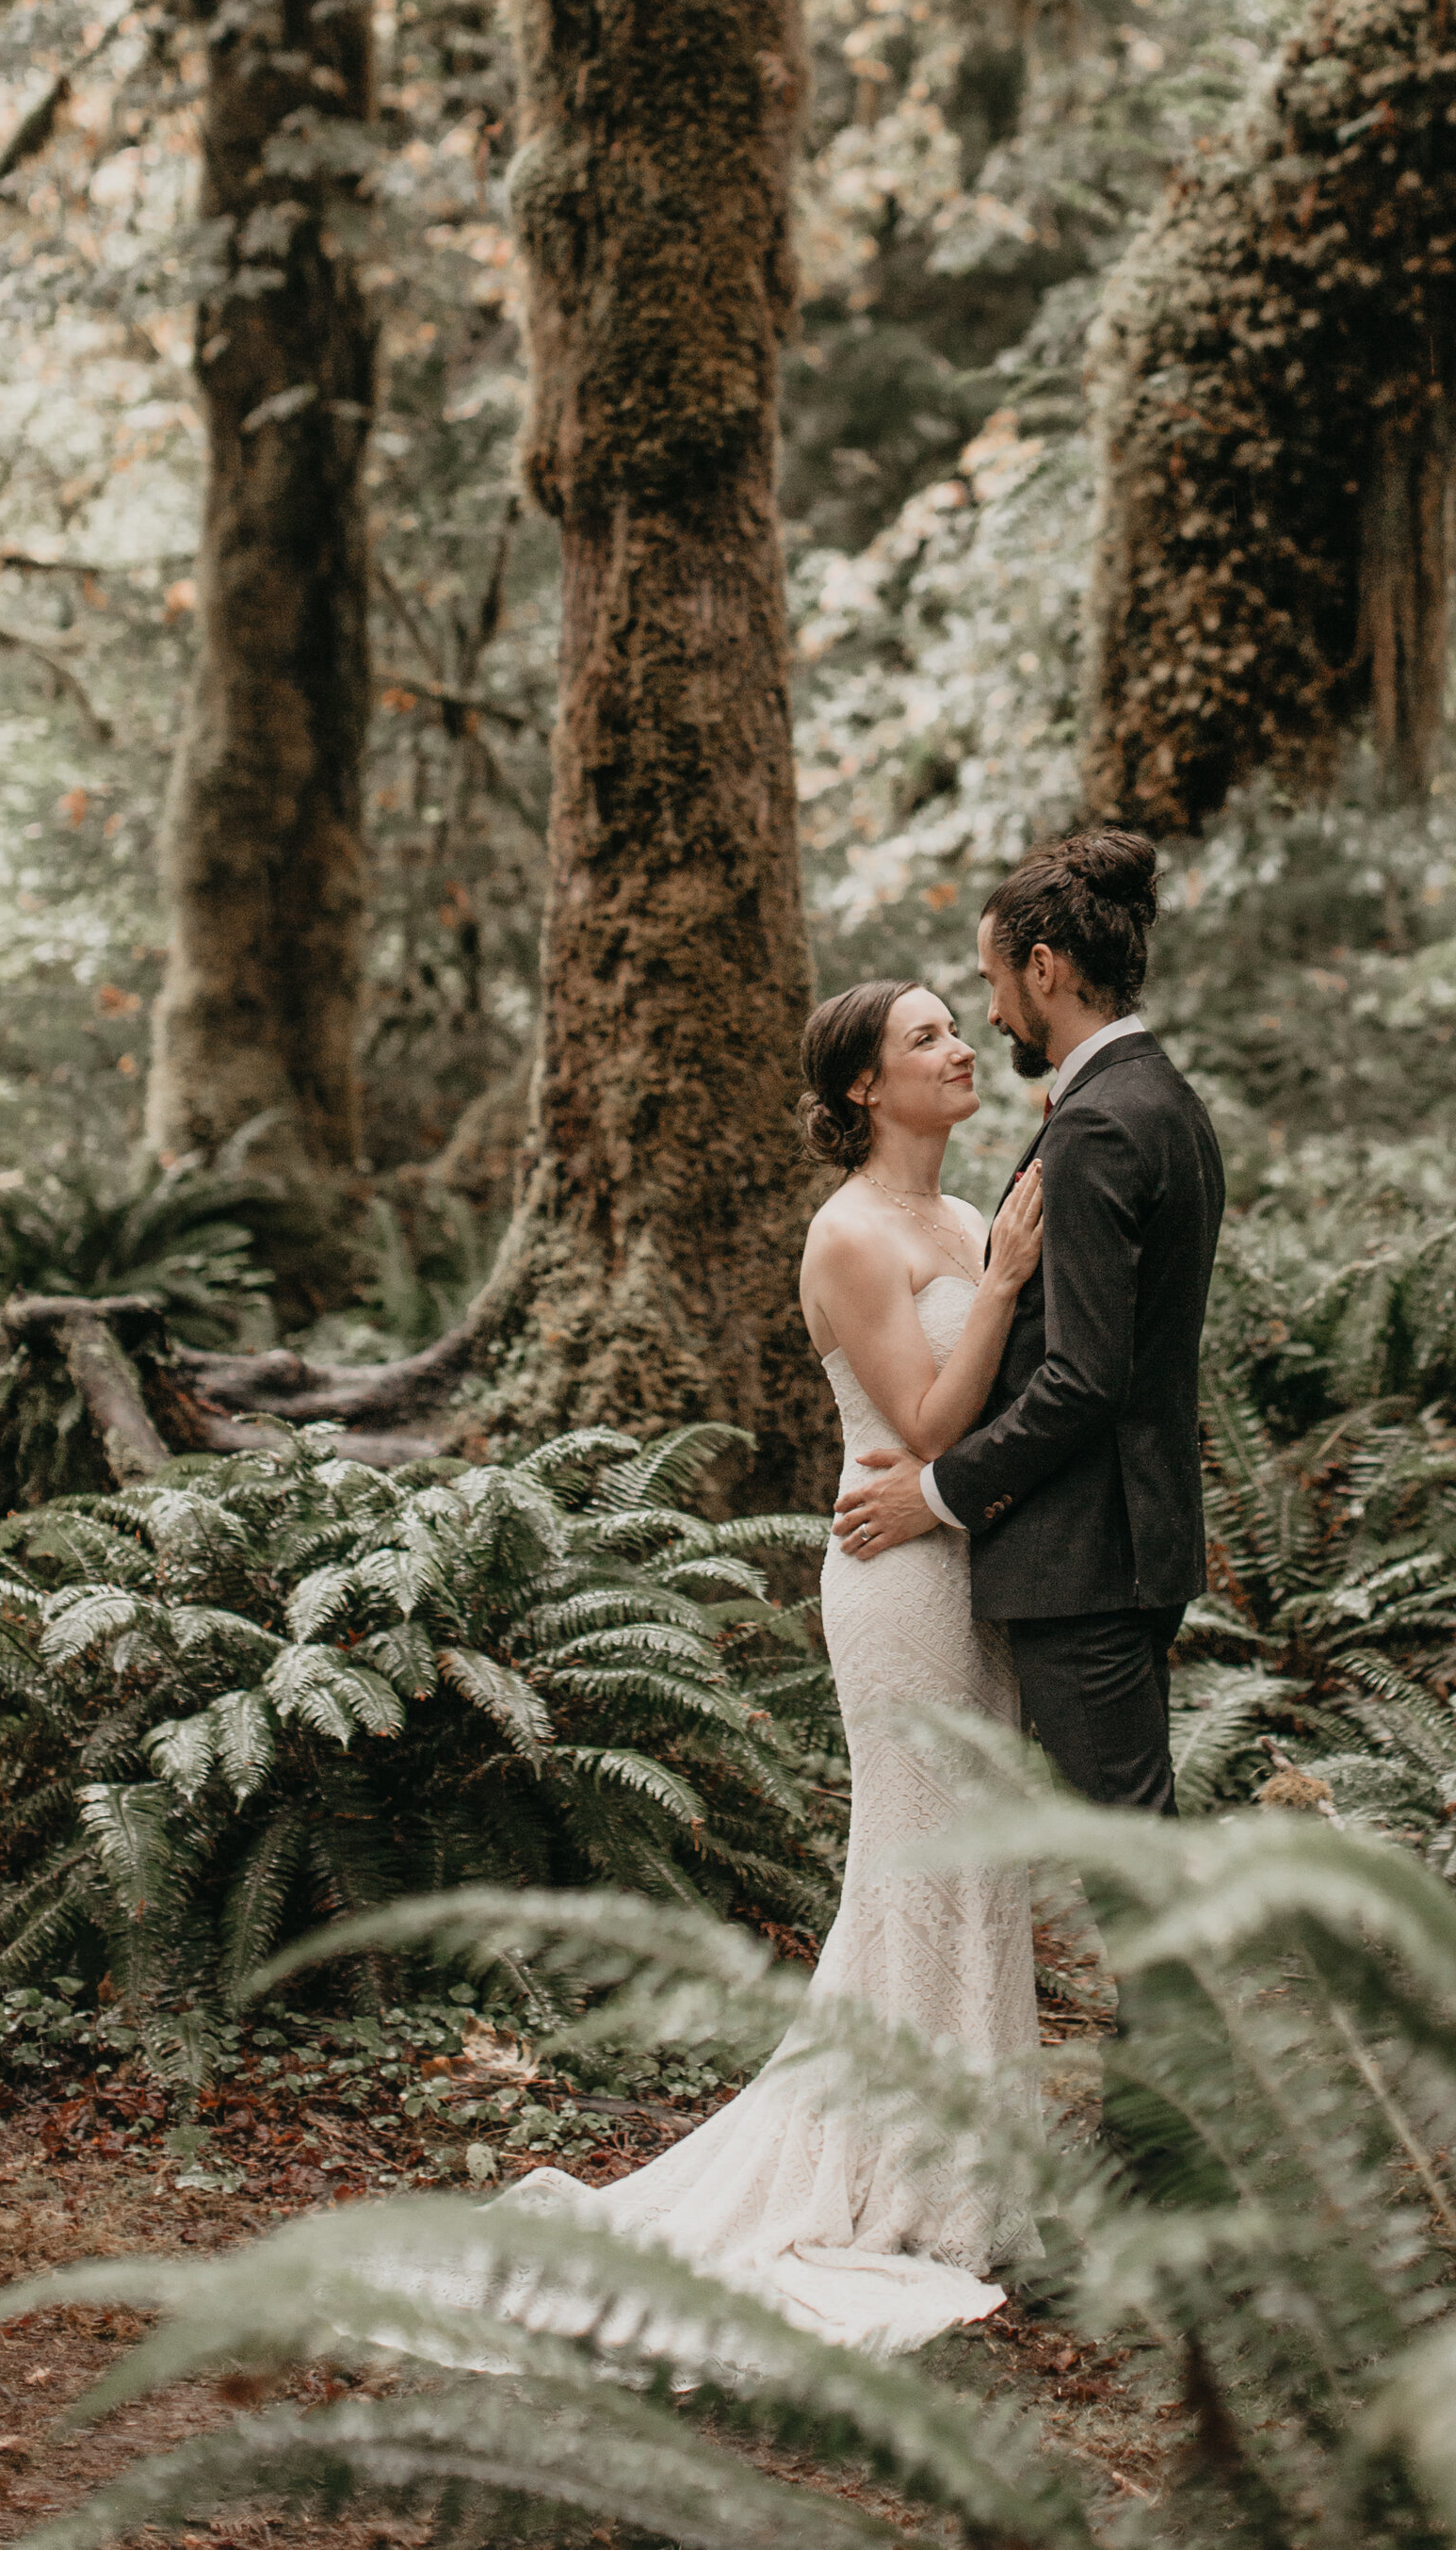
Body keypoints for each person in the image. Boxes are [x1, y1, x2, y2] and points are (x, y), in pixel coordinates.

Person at [503, 977, 1049, 2352]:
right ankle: (896, 2185)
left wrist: (999, 1269)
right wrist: (1009, 1284)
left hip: (975, 1566)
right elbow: (925, 1413)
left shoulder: (971, 1217)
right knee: (915, 1861)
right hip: (901, 1577)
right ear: (865, 1084)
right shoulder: (851, 1233)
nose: (959, 1044)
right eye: (927, 1034)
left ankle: (976, 2174)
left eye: (954, 1024)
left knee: (978, 1860)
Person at [834, 828, 1225, 1820]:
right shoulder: (1163, 1100)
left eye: (992, 982)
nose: (992, 1014)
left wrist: (941, 1495)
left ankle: (1182, 1988)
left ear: (1043, 969)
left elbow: (1084, 1377)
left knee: (1136, 1870)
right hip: (1139, 1537)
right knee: (1142, 1846)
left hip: (1085, 1559)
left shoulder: (1095, 1125)